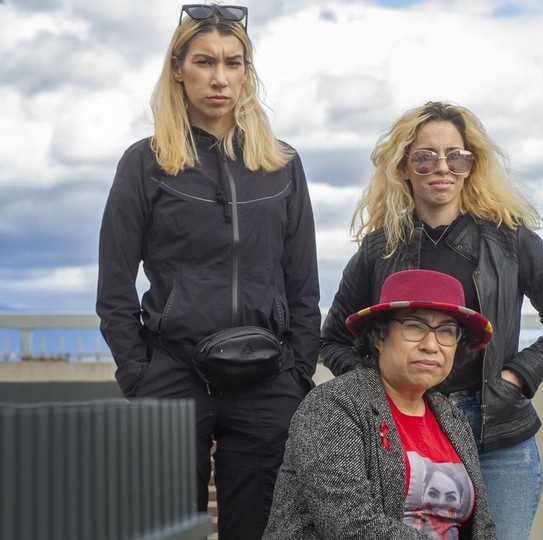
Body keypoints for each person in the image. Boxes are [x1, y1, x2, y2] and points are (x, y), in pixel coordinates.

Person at [96, 5, 320, 539]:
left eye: (233, 63)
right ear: (178, 69)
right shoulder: (145, 162)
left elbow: (304, 282)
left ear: (247, 71)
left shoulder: (282, 163)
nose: (220, 78)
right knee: (173, 530)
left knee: (261, 530)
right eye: (204, 62)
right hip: (175, 372)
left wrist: (297, 372)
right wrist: (137, 373)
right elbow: (114, 286)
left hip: (268, 379)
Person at [320, 101, 543, 539]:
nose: (441, 167)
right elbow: (332, 339)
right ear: (404, 167)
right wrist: (379, 391)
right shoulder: (379, 249)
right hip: (405, 434)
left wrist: (514, 378)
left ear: (471, 164)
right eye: (424, 156)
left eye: (456, 155)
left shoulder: (511, 239)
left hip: (498, 436)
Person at [262, 269, 496, 539]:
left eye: (446, 331)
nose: (432, 345)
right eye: (415, 326)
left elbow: (483, 527)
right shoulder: (333, 405)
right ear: (378, 337)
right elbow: (352, 525)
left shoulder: (453, 420)